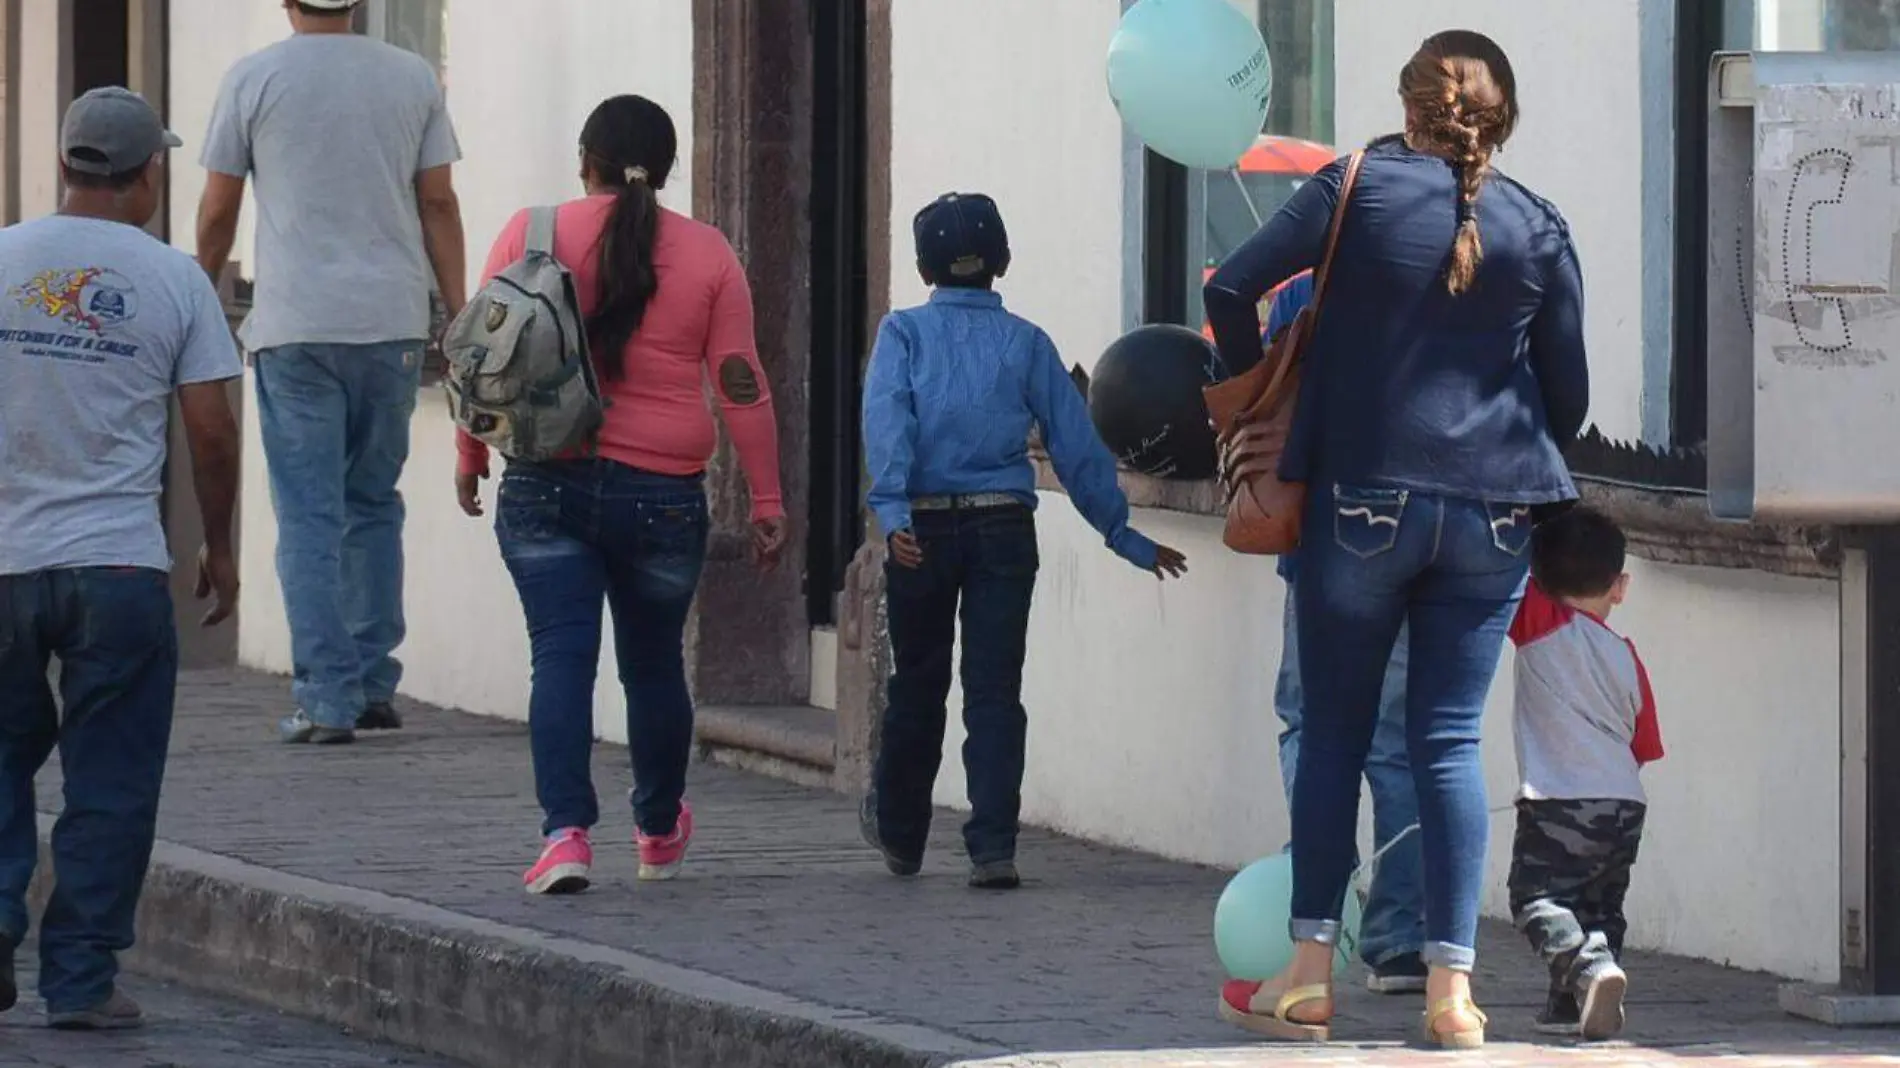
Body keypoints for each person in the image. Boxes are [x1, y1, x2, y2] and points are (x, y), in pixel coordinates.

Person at [1205, 30, 1589, 1048]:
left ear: (1408, 105)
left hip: (1362, 499)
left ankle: (1308, 977)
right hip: (1495, 512)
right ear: (1501, 121)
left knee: (1331, 734)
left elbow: (1226, 287)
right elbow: (1570, 399)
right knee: (1448, 742)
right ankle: (1449, 997)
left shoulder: (1352, 186)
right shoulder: (1537, 224)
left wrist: (1251, 403)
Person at [455, 95, 787, 895]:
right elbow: (740, 384)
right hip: (663, 495)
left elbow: (481, 356)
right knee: (654, 667)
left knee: (560, 661)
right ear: (667, 171)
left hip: (544, 481)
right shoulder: (709, 255)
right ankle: (658, 827)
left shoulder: (531, 233)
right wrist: (769, 499)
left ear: (585, 161)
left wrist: (469, 452)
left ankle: (565, 837)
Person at [858, 192, 1188, 891]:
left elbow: (888, 423)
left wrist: (892, 514)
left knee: (916, 682)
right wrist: (1121, 535)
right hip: (1004, 525)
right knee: (995, 689)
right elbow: (1076, 446)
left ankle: (901, 832)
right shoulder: (1028, 343)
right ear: (1002, 262)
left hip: (920, 524)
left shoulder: (903, 335)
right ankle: (992, 846)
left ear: (924, 267)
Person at [0, 87, 242, 1030]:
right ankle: (82, 981)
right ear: (149, 174)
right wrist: (218, 546)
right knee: (110, 779)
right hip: (118, 568)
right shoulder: (176, 279)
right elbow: (212, 433)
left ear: (66, 164)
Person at [195, 0, 466, 744]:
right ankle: (374, 682)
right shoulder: (411, 75)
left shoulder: (253, 78)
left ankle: (326, 696)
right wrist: (461, 307)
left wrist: (198, 289)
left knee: (310, 517)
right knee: (373, 503)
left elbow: (219, 208)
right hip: (392, 324)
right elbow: (437, 199)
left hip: (296, 327)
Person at [1262, 273, 1427, 995]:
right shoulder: (1451, 280)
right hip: (1424, 538)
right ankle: (1400, 939)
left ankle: (1321, 919)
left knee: (1311, 727)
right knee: (1400, 742)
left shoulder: (1302, 295)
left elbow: (1259, 399)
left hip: (1323, 540)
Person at [1506, 506, 1662, 1040]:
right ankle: (1574, 1005)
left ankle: (1588, 970)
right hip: (1624, 802)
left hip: (1558, 798)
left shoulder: (1539, 620)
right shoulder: (1626, 654)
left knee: (1535, 899)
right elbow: (1644, 742)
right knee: (1599, 907)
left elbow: (1503, 570)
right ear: (1620, 587)